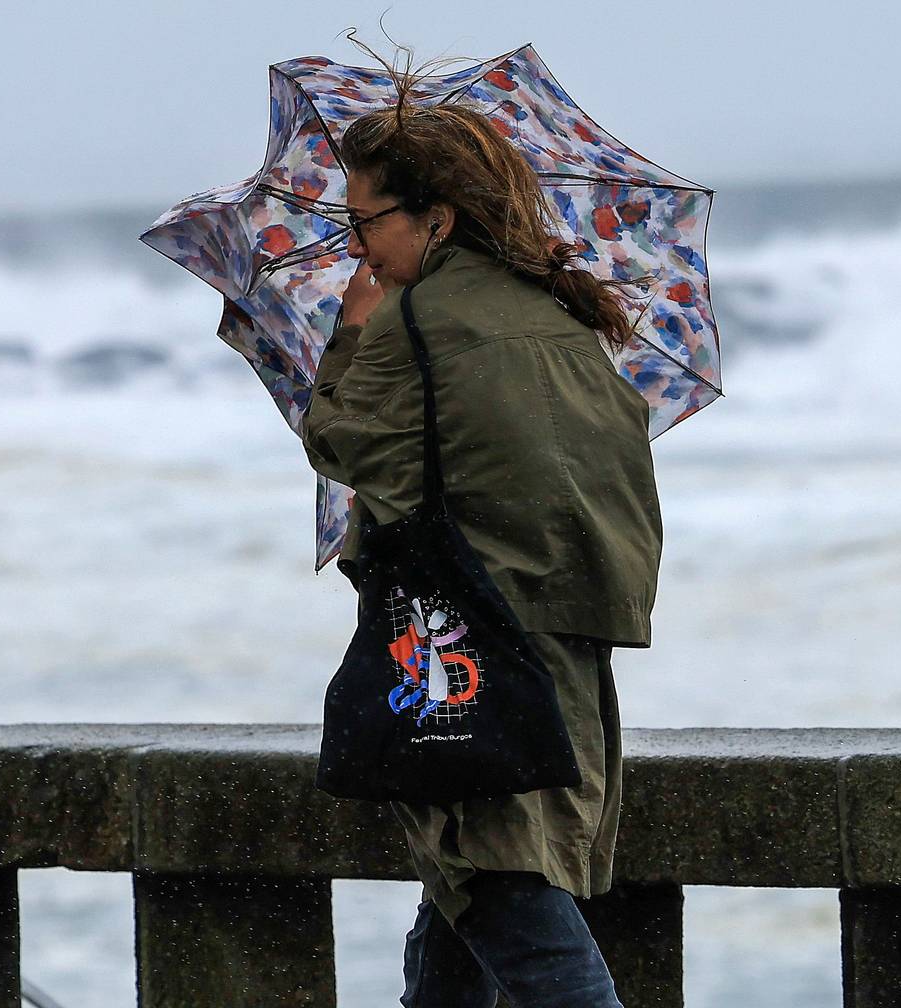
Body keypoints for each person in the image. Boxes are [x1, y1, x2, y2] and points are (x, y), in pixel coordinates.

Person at [300, 96, 664, 1008]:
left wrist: (350, 333)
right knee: (465, 889)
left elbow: (344, 443)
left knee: (501, 886)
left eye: (365, 222)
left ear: (438, 217)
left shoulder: (417, 323)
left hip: (465, 656)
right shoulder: (560, 313)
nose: (358, 247)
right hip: (561, 652)